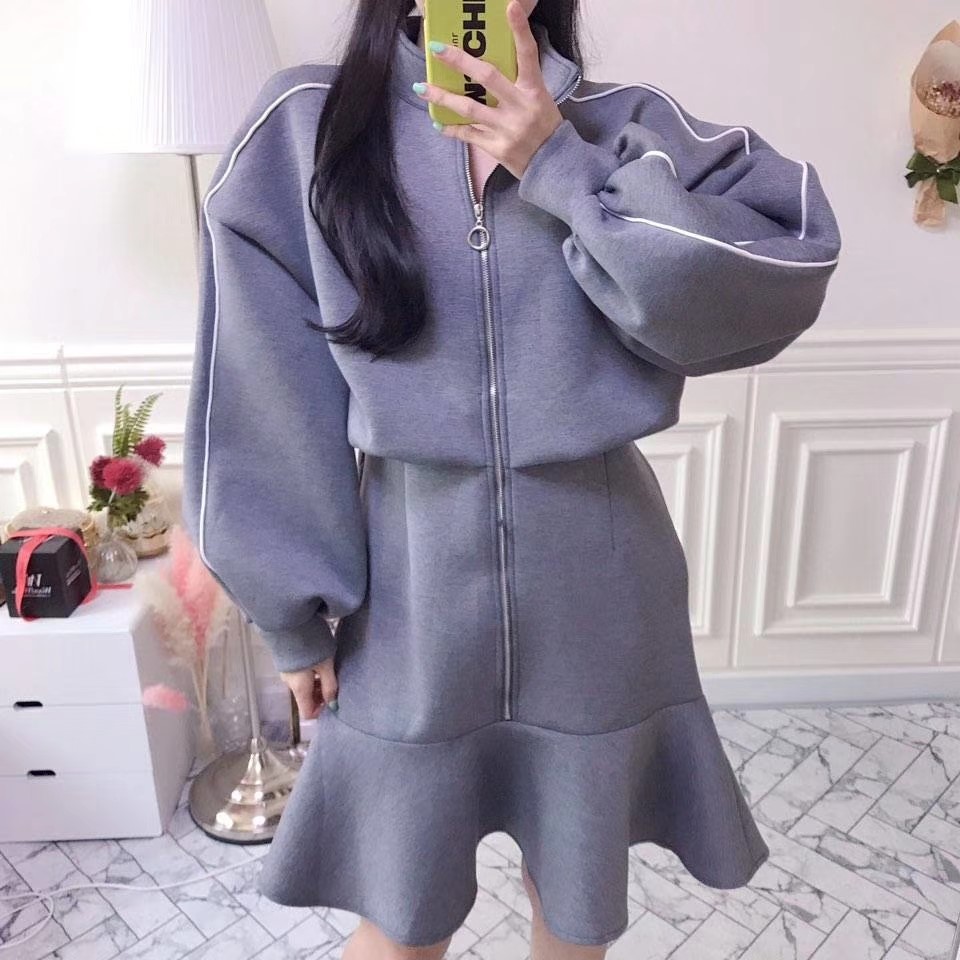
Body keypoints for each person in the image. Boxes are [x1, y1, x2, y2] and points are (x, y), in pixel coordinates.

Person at [181, 0, 842, 957]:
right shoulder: (305, 130)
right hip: (408, 602)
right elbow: (263, 392)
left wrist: (557, 162)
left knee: (573, 899)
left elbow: (786, 257)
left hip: (599, 593)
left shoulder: (625, 127)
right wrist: (292, 614)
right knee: (401, 917)